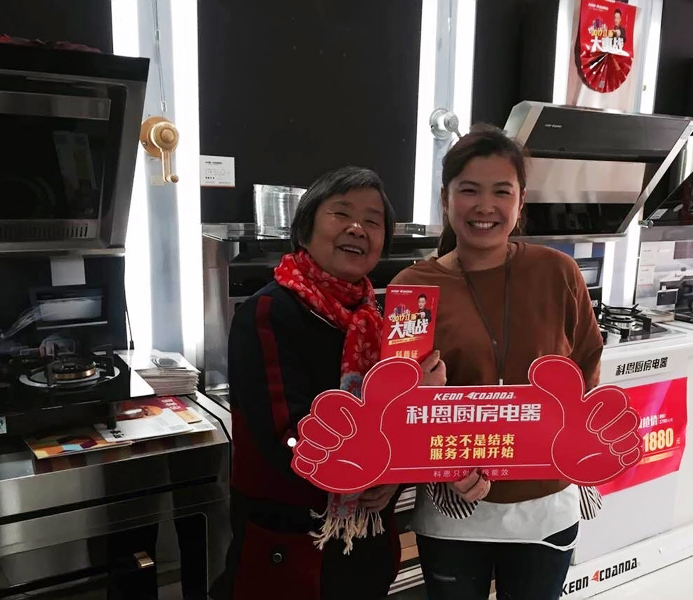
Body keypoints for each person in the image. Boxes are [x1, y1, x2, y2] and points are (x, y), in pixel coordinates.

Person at [390, 125, 606, 600]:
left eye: (501, 191)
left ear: (520, 201)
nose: (484, 206)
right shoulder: (413, 288)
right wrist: (437, 447)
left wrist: (574, 441)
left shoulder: (557, 272)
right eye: (469, 190)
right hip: (453, 505)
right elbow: (398, 408)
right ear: (445, 199)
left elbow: (586, 368)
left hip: (546, 501)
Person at [211, 166, 446, 600]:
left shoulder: (378, 321)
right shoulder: (269, 313)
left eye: (373, 220)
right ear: (305, 228)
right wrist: (377, 468)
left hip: (365, 541)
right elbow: (288, 437)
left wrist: (419, 406)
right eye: (341, 213)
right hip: (291, 543)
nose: (358, 228)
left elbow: (398, 423)